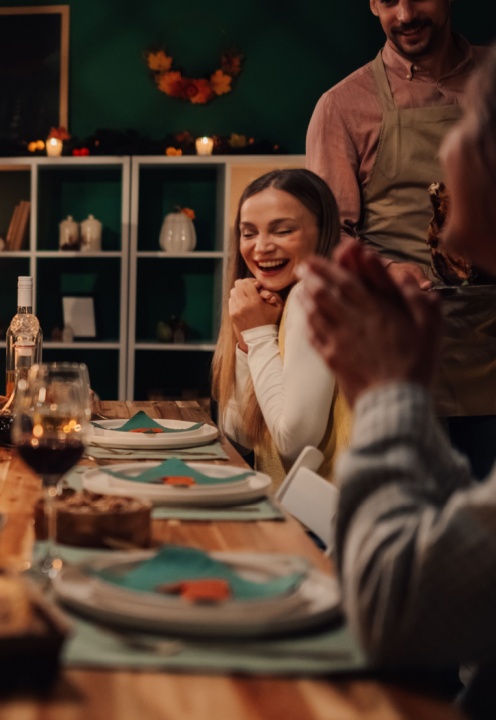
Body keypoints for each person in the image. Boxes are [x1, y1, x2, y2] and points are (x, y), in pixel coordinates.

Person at [301, 49, 496, 716]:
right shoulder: (344, 101)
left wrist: (386, 397)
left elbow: (399, 612)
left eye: (462, 135)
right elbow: (460, 569)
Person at [305, 0, 496, 476]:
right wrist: (389, 270)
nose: (405, 13)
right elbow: (330, 236)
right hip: (408, 351)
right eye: (388, 0)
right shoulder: (344, 105)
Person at [211, 169, 346, 488]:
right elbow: (242, 433)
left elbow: (296, 447)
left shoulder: (315, 294)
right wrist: (247, 341)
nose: (260, 248)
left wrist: (258, 336)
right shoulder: (281, 300)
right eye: (248, 233)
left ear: (322, 232)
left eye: (282, 231)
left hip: (333, 530)